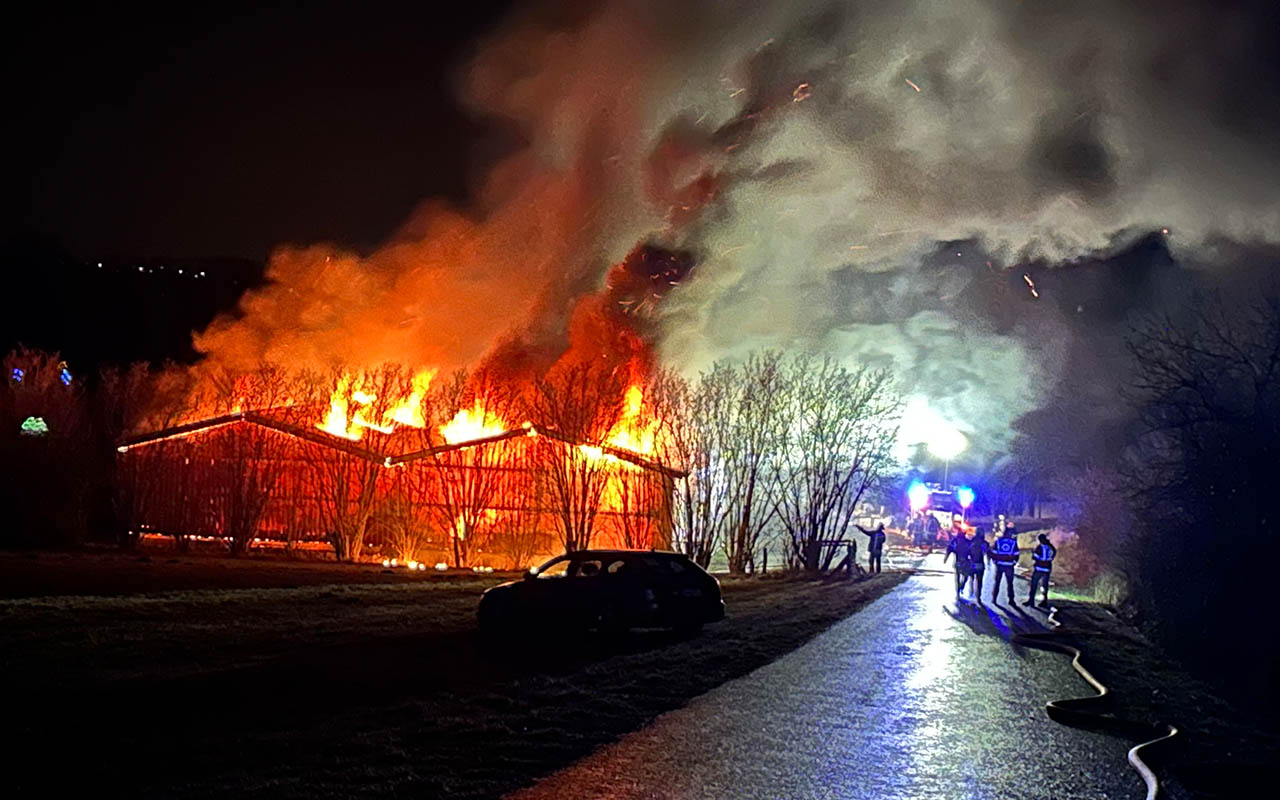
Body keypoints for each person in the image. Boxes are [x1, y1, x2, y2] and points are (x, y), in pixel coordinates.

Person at [1024, 534, 1057, 609]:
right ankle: (1044, 601)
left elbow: (1035, 557)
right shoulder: (1051, 547)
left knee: (1034, 585)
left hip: (1039, 569)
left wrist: (1033, 553)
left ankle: (1031, 601)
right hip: (1047, 569)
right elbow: (1052, 556)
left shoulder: (1039, 547)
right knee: (1044, 585)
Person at [990, 522, 1019, 605]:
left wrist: (996, 562)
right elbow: (1016, 555)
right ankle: (1011, 600)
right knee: (1010, 584)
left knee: (997, 582)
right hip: (1009, 566)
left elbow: (993, 553)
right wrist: (1013, 562)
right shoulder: (1013, 543)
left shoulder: (998, 542)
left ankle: (994, 599)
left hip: (999, 565)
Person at [943, 525, 971, 595]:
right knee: (966, 576)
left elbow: (949, 549)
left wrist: (945, 559)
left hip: (958, 561)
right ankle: (961, 587)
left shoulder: (955, 541)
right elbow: (972, 551)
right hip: (965, 561)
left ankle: (958, 590)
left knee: (957, 577)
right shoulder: (967, 541)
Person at [967, 531, 988, 602]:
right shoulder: (985, 543)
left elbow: (968, 551)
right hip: (980, 563)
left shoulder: (971, 541)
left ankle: (971, 593)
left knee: (971, 579)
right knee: (979, 581)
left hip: (972, 563)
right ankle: (978, 596)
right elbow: (987, 553)